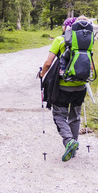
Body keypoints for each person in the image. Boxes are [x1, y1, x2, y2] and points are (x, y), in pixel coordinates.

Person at [39, 16, 89, 162]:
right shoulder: (86, 42)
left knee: (59, 115)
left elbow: (48, 63)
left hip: (62, 87)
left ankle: (69, 141)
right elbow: (90, 66)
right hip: (80, 86)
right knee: (75, 116)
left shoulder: (60, 40)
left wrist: (41, 74)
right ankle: (73, 146)